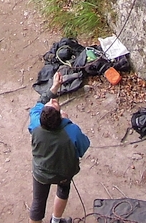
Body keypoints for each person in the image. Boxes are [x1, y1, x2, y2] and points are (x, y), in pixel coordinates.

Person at [27, 70, 90, 223]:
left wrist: (54, 88)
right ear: (60, 117)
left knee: (38, 202)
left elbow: (39, 103)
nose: (52, 101)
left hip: (41, 172)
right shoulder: (71, 131)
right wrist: (68, 122)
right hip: (63, 173)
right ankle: (56, 220)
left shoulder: (36, 124)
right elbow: (83, 146)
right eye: (53, 104)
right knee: (63, 190)